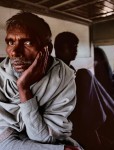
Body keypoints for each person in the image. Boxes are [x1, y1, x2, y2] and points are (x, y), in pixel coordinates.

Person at [0, 11, 81, 150]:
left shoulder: (63, 76)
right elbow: (4, 140)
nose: (14, 52)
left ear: (47, 49)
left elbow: (42, 138)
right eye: (10, 42)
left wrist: (23, 89)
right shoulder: (2, 74)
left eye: (27, 42)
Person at [54, 31, 114, 150]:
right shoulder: (55, 69)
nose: (75, 50)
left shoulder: (70, 68)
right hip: (69, 110)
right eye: (71, 47)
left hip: (80, 107)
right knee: (85, 74)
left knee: (87, 76)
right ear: (58, 49)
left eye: (76, 47)